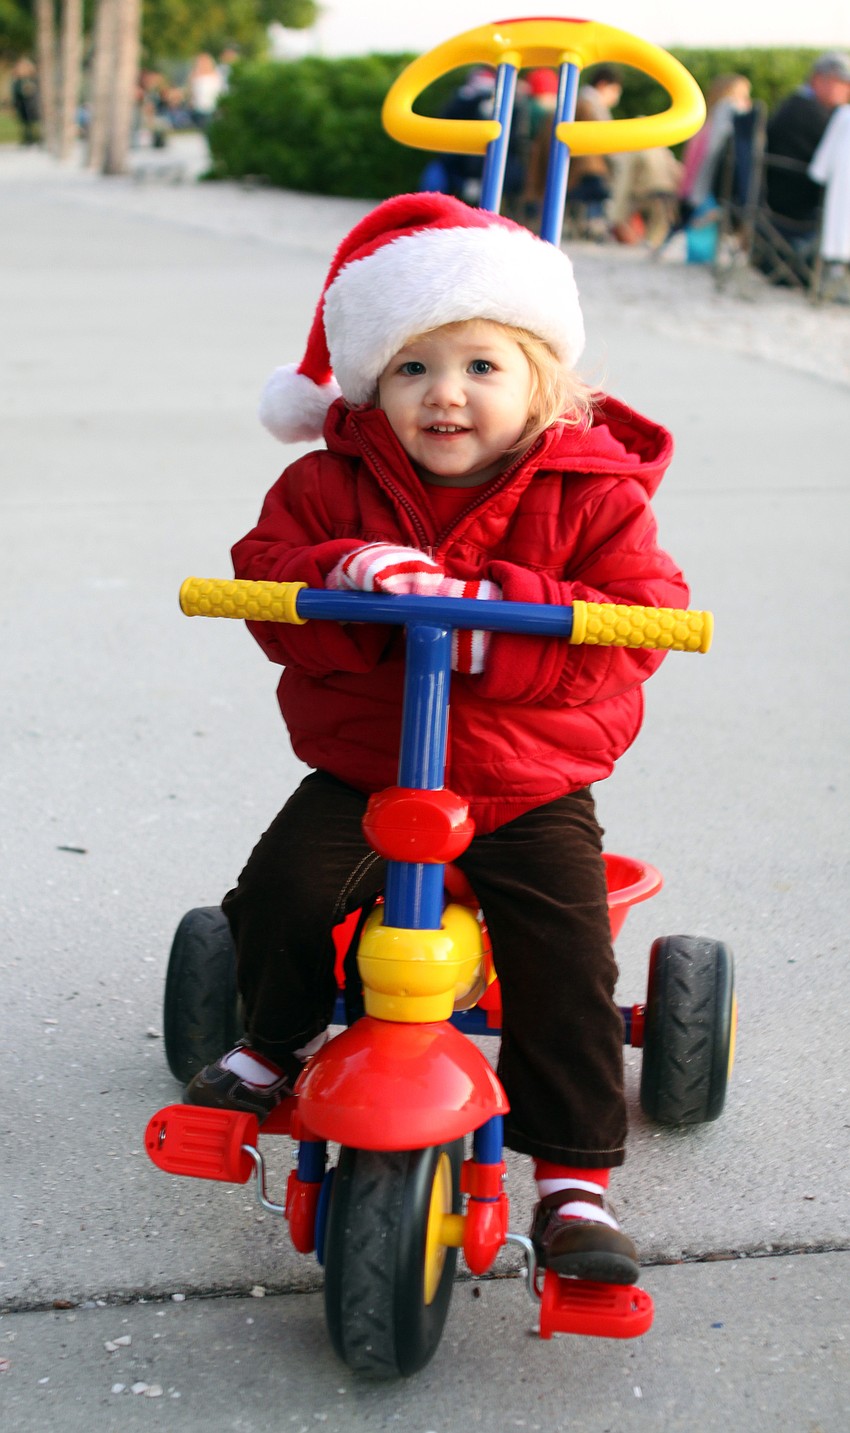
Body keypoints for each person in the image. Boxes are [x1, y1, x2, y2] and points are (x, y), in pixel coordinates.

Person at [184, 192, 689, 1286]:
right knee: (279, 891)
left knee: (564, 961)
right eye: (411, 368)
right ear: (371, 385)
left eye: (479, 365)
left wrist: (484, 617)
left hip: (525, 781)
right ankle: (275, 1039)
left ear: (544, 382)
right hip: (369, 767)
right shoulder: (328, 483)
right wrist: (343, 573)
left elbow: (639, 618)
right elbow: (265, 577)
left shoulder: (594, 492)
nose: (443, 392)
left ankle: (572, 1181)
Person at [765, 51, 850, 230]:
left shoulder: (796, 103)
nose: (848, 89)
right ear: (819, 80)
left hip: (783, 198)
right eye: (842, 82)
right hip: (797, 205)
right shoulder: (808, 111)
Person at [565, 65, 624, 237]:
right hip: (587, 169)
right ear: (603, 85)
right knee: (614, 176)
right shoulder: (593, 104)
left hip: (576, 166)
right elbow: (607, 140)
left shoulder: (577, 100)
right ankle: (596, 224)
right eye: (614, 91)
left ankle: (591, 223)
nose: (616, 97)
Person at [187, 52, 225, 130]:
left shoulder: (217, 74)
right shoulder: (194, 75)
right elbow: (191, 91)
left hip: (214, 106)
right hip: (199, 106)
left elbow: (220, 90)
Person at [11, 57, 40, 147]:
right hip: (21, 104)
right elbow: (15, 92)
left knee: (32, 121)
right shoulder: (17, 81)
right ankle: (28, 138)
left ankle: (34, 137)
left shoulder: (32, 79)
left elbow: (35, 91)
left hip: (31, 104)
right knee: (25, 122)